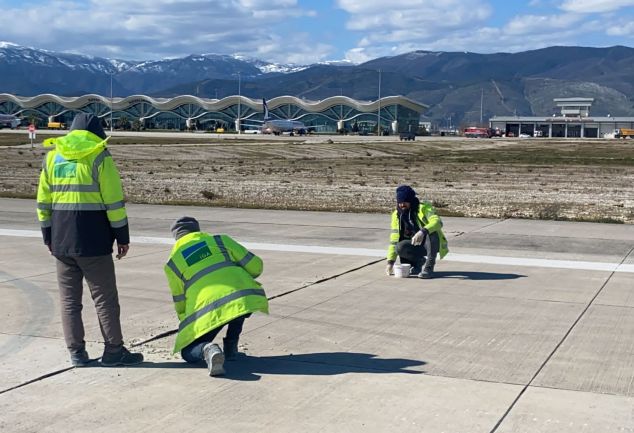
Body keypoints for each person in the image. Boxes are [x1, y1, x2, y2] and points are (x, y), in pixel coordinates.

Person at [36, 113, 143, 367]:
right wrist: (122, 237)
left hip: (61, 240)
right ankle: (114, 351)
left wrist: (47, 235)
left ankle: (76, 353)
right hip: (93, 241)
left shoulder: (52, 156)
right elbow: (114, 203)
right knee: (105, 299)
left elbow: (43, 202)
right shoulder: (100, 157)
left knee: (69, 301)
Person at [164, 216, 269, 376]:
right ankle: (231, 348)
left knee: (187, 351)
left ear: (176, 238)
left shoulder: (173, 263)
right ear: (197, 230)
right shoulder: (221, 240)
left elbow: (180, 300)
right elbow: (256, 266)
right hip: (241, 298)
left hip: (207, 309)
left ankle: (208, 349)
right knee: (237, 301)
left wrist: (187, 324)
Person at [386, 185, 449, 279]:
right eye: (400, 202)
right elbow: (394, 239)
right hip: (415, 244)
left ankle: (429, 268)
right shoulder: (396, 215)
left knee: (431, 233)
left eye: (405, 202)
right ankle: (418, 263)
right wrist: (390, 262)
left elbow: (437, 222)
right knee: (399, 247)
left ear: (411, 200)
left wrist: (423, 231)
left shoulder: (423, 208)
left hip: (430, 244)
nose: (402, 205)